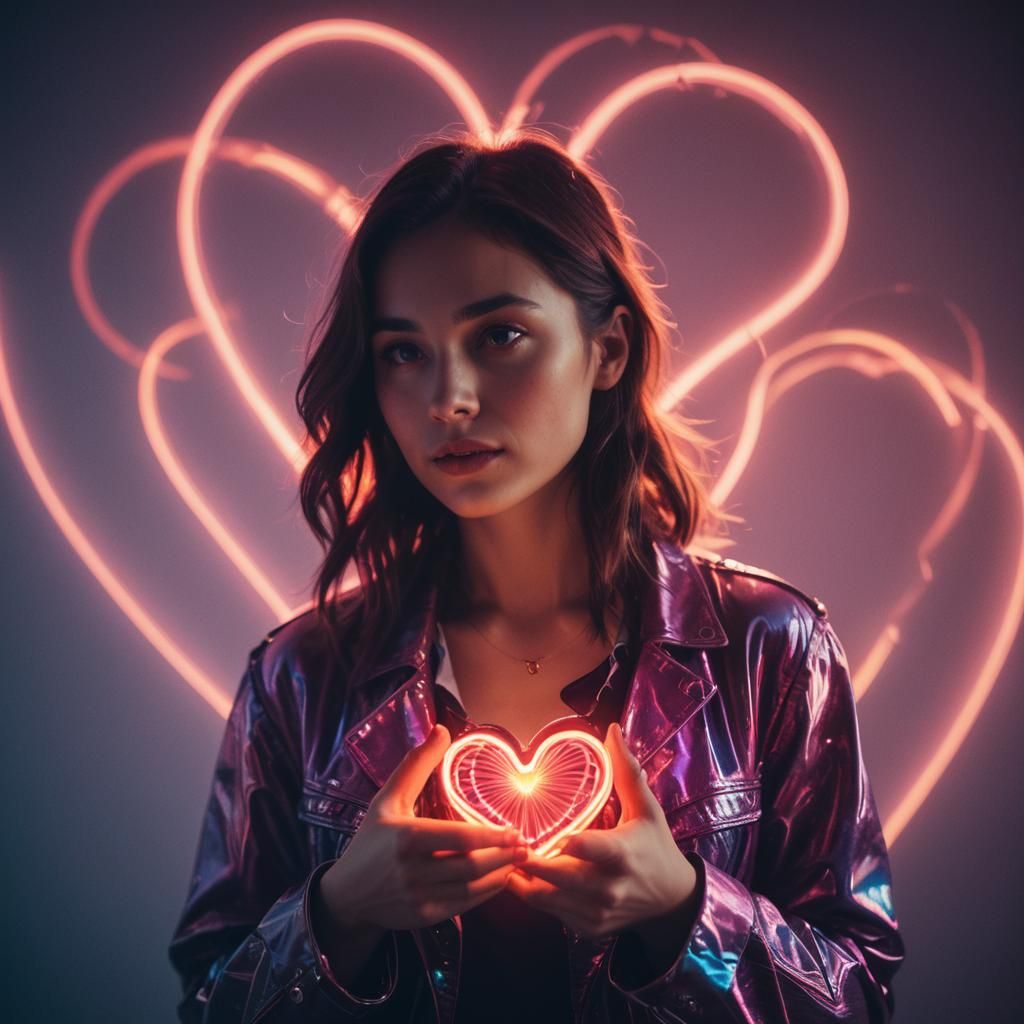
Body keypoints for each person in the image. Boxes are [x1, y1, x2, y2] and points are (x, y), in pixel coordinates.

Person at [168, 128, 905, 1022]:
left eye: (501, 335)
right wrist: (341, 913)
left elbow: (861, 996)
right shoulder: (302, 677)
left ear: (609, 351)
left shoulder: (772, 652)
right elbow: (209, 999)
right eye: (404, 350)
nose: (449, 398)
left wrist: (683, 911)